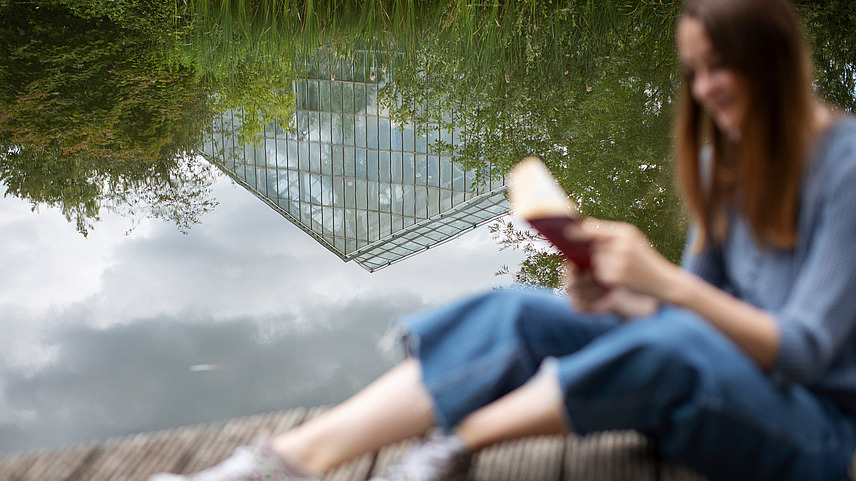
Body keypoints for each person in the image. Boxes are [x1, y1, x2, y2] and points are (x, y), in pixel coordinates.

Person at [151, 0, 856, 480]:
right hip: (713, 383)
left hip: (812, 433)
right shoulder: (722, 162)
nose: (703, 89)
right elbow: (696, 314)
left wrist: (663, 283)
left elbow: (802, 350)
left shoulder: (844, 165)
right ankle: (283, 460)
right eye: (693, 71)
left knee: (672, 341)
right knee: (514, 309)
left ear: (773, 62)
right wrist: (621, 293)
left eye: (717, 67)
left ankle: (454, 445)